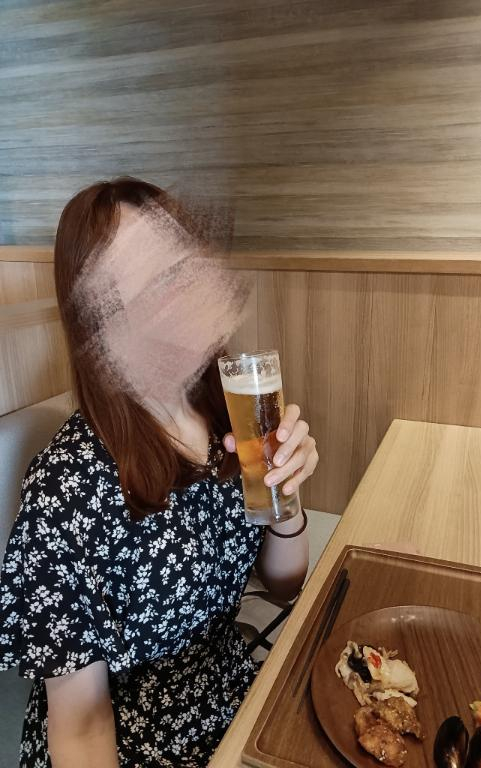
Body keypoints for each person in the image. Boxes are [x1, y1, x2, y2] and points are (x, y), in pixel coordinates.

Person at [0, 178, 318, 768]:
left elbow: (283, 584)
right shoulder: (66, 490)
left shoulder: (227, 412)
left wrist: (287, 497)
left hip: (231, 702)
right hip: (133, 743)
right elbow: (82, 729)